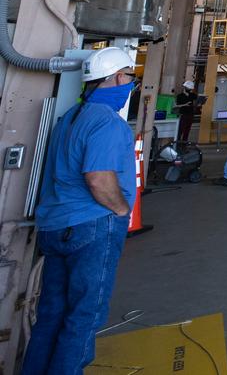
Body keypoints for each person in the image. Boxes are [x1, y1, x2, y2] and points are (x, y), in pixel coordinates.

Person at [22, 47, 137, 375]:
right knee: (84, 317)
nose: (131, 83)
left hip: (54, 225)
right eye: (130, 77)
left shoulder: (69, 118)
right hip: (91, 226)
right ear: (117, 78)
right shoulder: (107, 123)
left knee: (51, 315)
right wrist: (120, 209)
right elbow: (99, 179)